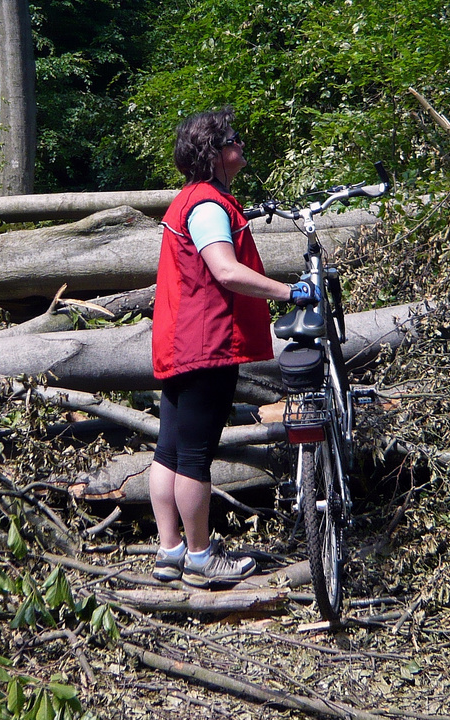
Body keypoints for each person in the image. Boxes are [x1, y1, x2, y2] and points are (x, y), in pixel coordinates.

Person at [149, 108, 318, 587]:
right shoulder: (206, 206)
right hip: (205, 345)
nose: (241, 145)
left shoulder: (192, 200)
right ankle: (201, 558)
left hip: (180, 343)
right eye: (234, 139)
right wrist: (291, 292)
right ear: (216, 152)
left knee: (170, 450)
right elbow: (224, 270)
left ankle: (170, 552)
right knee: (193, 456)